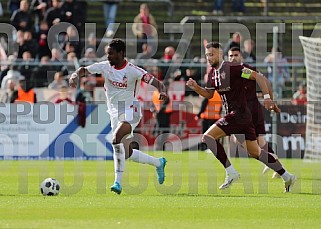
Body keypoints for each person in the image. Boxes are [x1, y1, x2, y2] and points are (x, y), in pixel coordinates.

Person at [186, 42, 296, 192]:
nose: (209, 58)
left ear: (219, 54)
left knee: (207, 137)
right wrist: (197, 88)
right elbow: (209, 94)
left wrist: (267, 98)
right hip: (241, 117)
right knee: (255, 152)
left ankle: (231, 172)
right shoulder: (212, 74)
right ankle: (287, 176)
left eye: (211, 54)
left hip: (238, 114)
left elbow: (258, 77)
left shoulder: (233, 68)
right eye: (207, 55)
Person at [69, 39, 167, 195]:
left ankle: (117, 183)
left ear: (121, 53)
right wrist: (75, 75)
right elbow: (83, 69)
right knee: (126, 153)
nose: (108, 57)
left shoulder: (133, 70)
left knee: (116, 139)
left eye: (111, 54)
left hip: (131, 110)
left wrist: (162, 91)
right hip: (114, 112)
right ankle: (158, 163)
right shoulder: (106, 67)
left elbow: (157, 83)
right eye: (107, 53)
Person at [228, 46, 279, 178]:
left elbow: (265, 81)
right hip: (240, 111)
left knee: (258, 141)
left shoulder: (245, 71)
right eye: (230, 56)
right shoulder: (228, 72)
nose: (233, 58)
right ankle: (272, 161)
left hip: (252, 109)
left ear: (241, 57)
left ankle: (274, 164)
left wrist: (269, 99)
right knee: (240, 139)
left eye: (236, 55)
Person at [151, 81, 172, 151]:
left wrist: (154, 112)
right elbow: (164, 104)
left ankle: (159, 147)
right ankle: (160, 148)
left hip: (159, 115)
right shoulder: (163, 94)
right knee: (163, 132)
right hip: (163, 115)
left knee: (160, 132)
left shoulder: (155, 93)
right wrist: (158, 113)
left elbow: (153, 104)